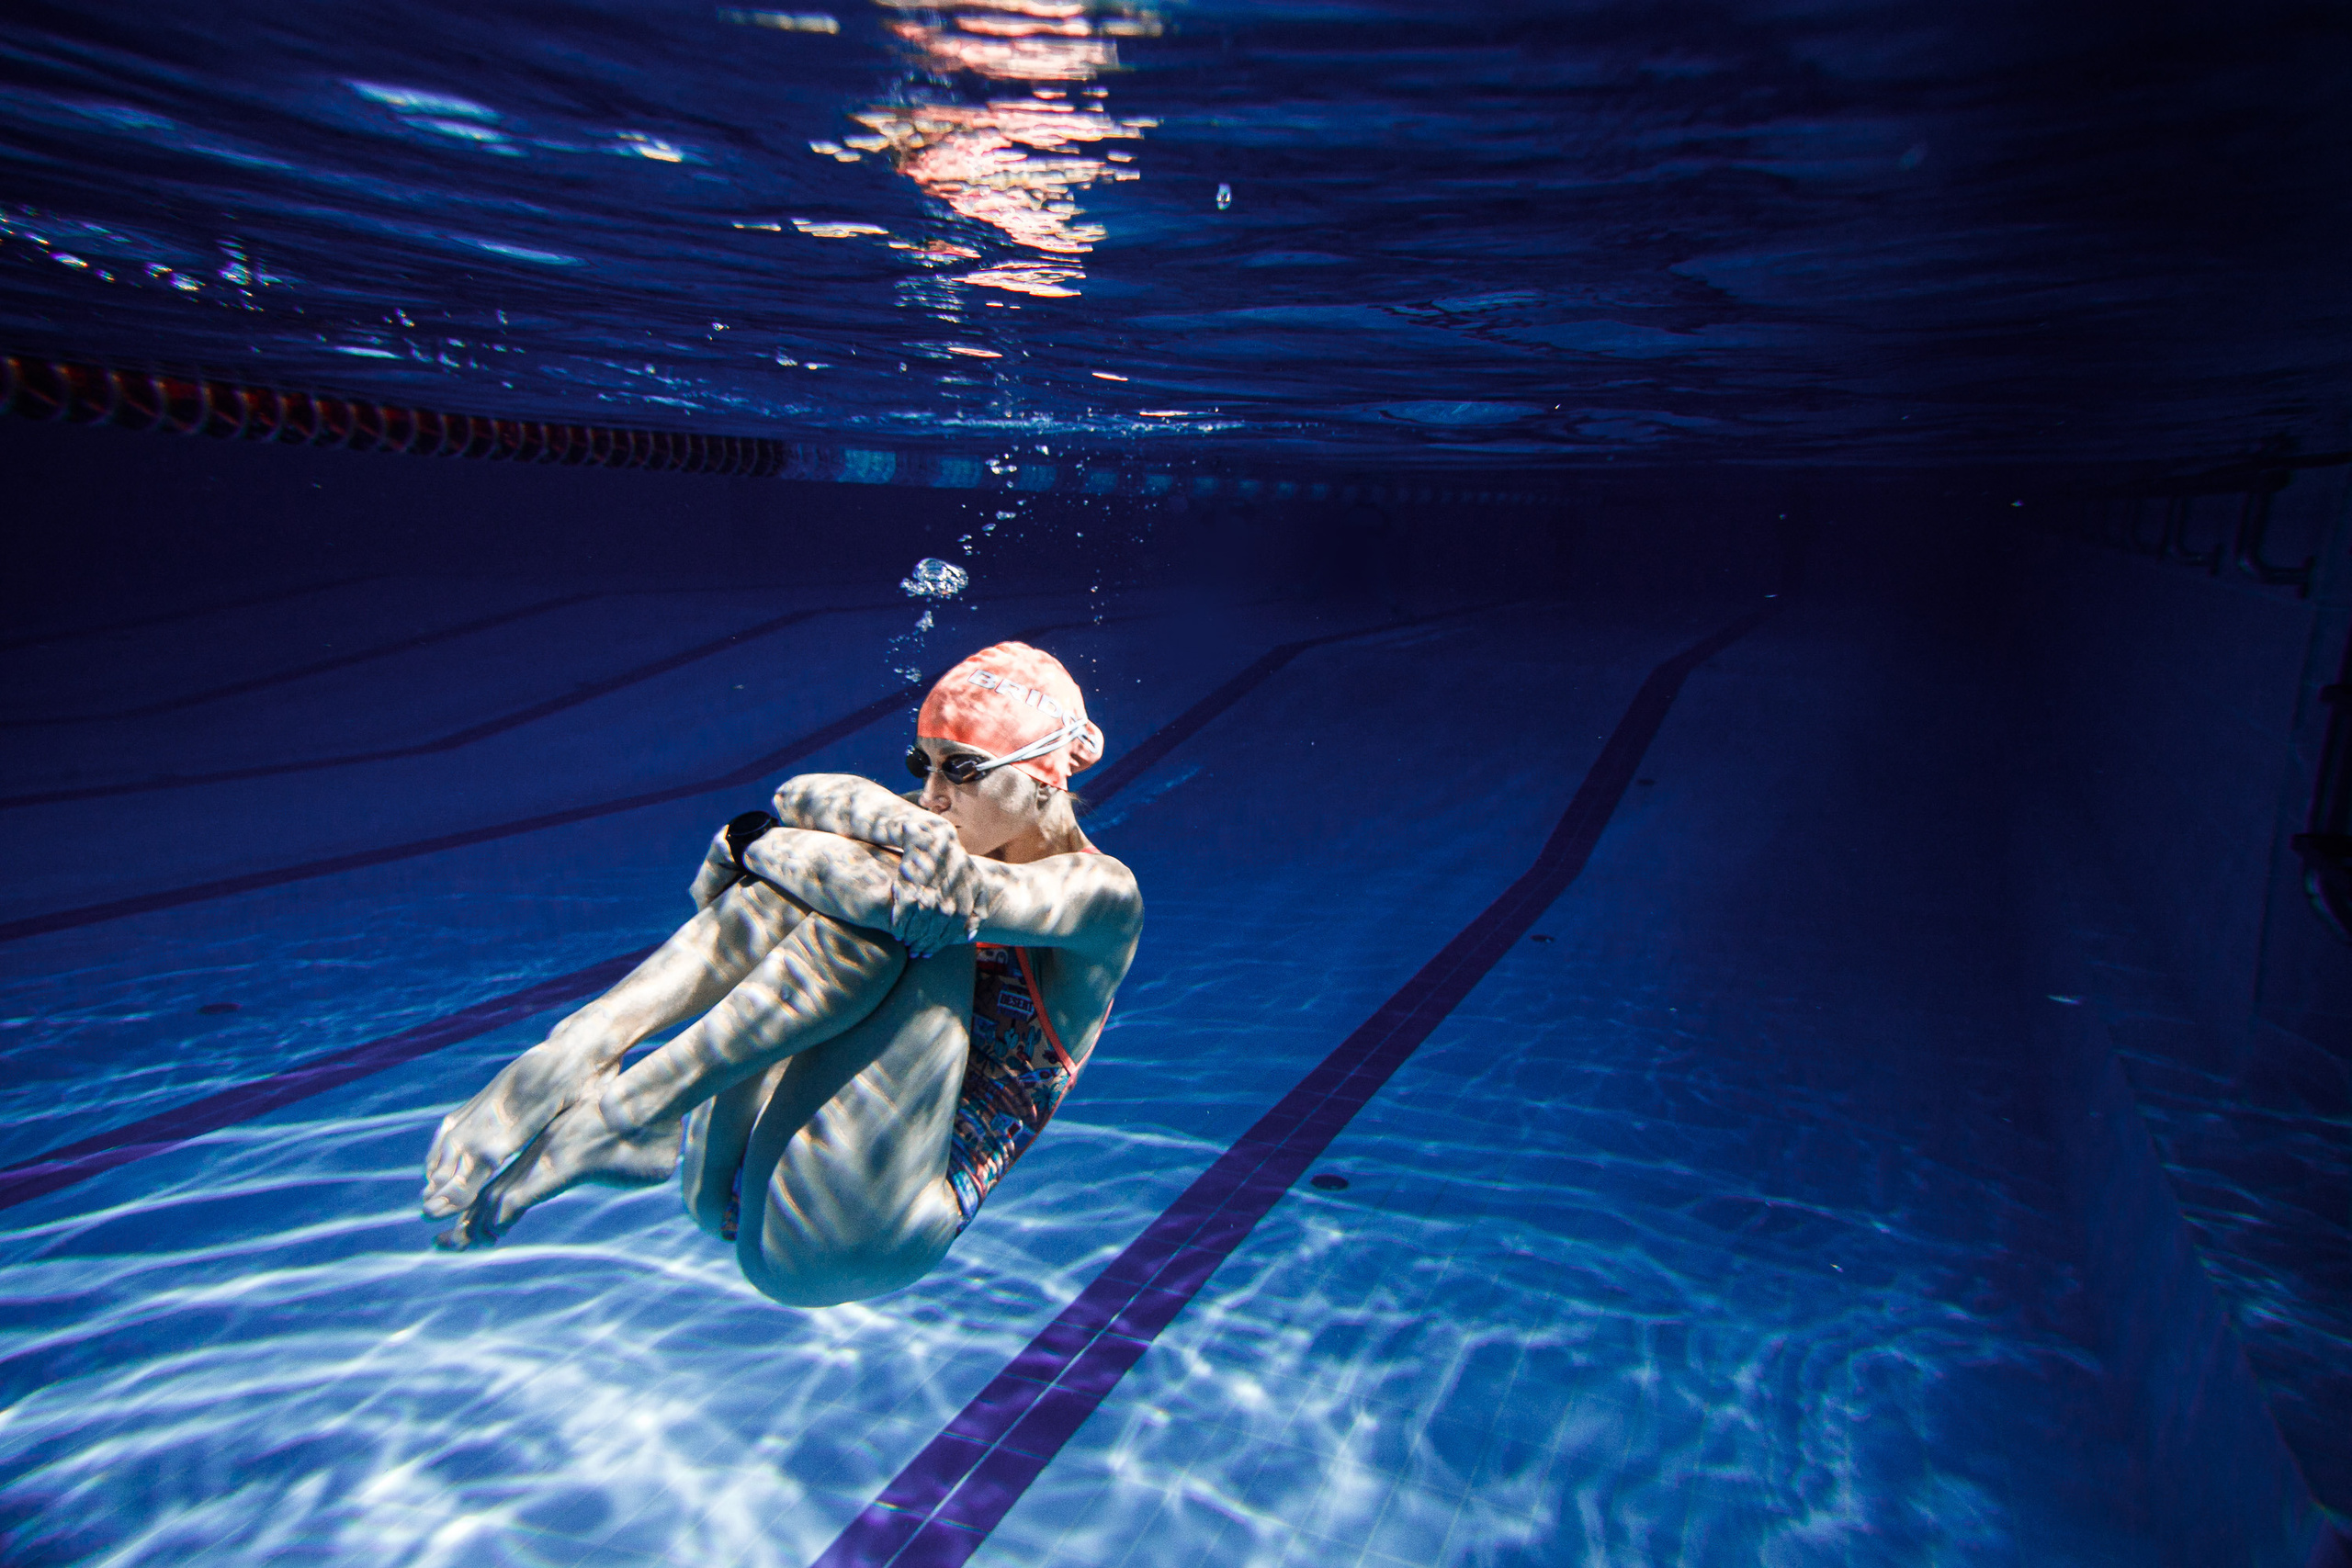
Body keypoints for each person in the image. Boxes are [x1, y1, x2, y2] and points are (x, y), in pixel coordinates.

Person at [418, 642, 1143, 1306]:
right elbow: (801, 794)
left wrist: (749, 844)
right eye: (920, 764)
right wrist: (814, 833)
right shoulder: (934, 829)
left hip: (861, 1227)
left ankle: (626, 1111)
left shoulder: (1103, 896)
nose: (932, 794)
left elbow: (886, 896)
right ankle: (583, 1050)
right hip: (739, 1175)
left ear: (1047, 775)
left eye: (962, 769)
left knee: (920, 919)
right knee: (865, 863)